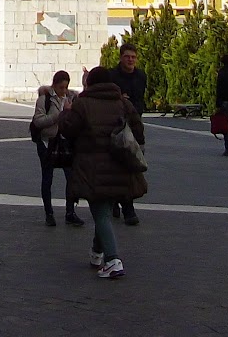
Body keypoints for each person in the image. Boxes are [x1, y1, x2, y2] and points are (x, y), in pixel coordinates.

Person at [59, 66, 146, 280]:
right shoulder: (123, 103)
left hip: (93, 167)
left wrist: (66, 113)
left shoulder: (83, 104)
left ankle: (113, 260)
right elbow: (138, 130)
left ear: (90, 83)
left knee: (100, 211)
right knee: (105, 208)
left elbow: (68, 130)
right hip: (120, 165)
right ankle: (97, 254)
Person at [31, 71, 84, 226]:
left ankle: (70, 212)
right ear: (54, 85)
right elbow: (38, 121)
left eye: (66, 87)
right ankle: (49, 213)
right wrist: (61, 114)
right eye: (61, 87)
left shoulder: (72, 98)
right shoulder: (44, 100)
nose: (63, 90)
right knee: (47, 178)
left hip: (65, 142)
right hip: (47, 143)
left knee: (71, 177)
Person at [107, 43, 148, 225]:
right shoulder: (112, 76)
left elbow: (140, 99)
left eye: (133, 57)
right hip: (115, 126)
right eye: (127, 57)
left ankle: (120, 201)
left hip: (134, 125)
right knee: (120, 166)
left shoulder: (141, 76)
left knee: (130, 166)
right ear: (121, 57)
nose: (130, 60)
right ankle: (126, 207)